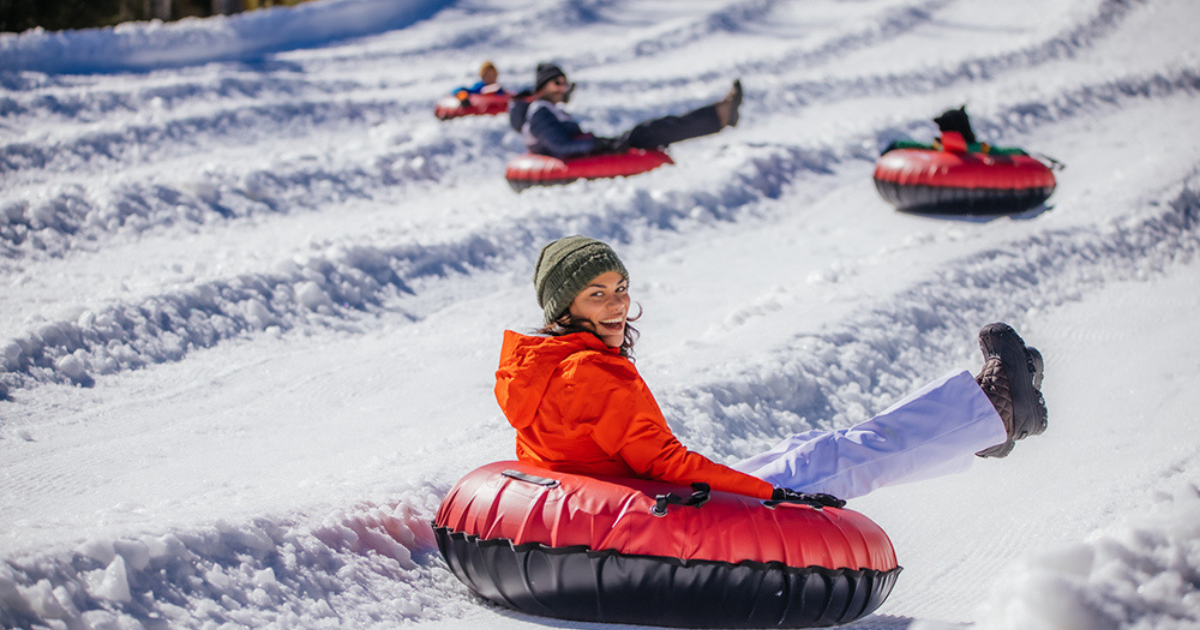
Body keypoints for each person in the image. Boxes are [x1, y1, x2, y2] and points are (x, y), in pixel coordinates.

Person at [494, 235, 1049, 504]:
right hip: (655, 509)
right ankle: (996, 413)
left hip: (634, 500)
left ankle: (983, 419)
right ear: (563, 308)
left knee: (808, 446)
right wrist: (767, 494)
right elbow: (667, 465)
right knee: (831, 458)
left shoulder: (539, 365)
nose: (618, 304)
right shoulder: (588, 373)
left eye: (620, 288)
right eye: (597, 294)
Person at [508, 62, 743, 159]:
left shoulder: (549, 110)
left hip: (596, 147)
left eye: (565, 83)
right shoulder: (540, 111)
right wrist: (599, 145)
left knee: (653, 128)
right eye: (557, 83)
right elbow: (560, 146)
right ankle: (719, 115)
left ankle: (719, 114)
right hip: (593, 152)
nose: (563, 88)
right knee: (649, 131)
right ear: (542, 86)